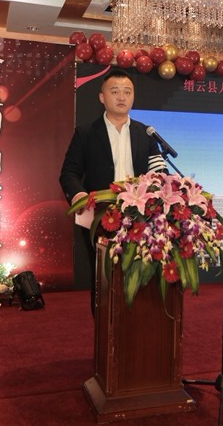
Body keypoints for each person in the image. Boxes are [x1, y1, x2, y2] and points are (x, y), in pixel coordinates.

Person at [59, 69, 166, 314]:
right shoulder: (86, 133)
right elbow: (69, 174)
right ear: (102, 97)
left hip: (140, 216)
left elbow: (159, 174)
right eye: (115, 91)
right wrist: (79, 196)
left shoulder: (146, 134)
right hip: (100, 216)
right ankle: (104, 330)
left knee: (140, 273)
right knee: (103, 276)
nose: (122, 97)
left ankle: (137, 326)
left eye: (127, 92)